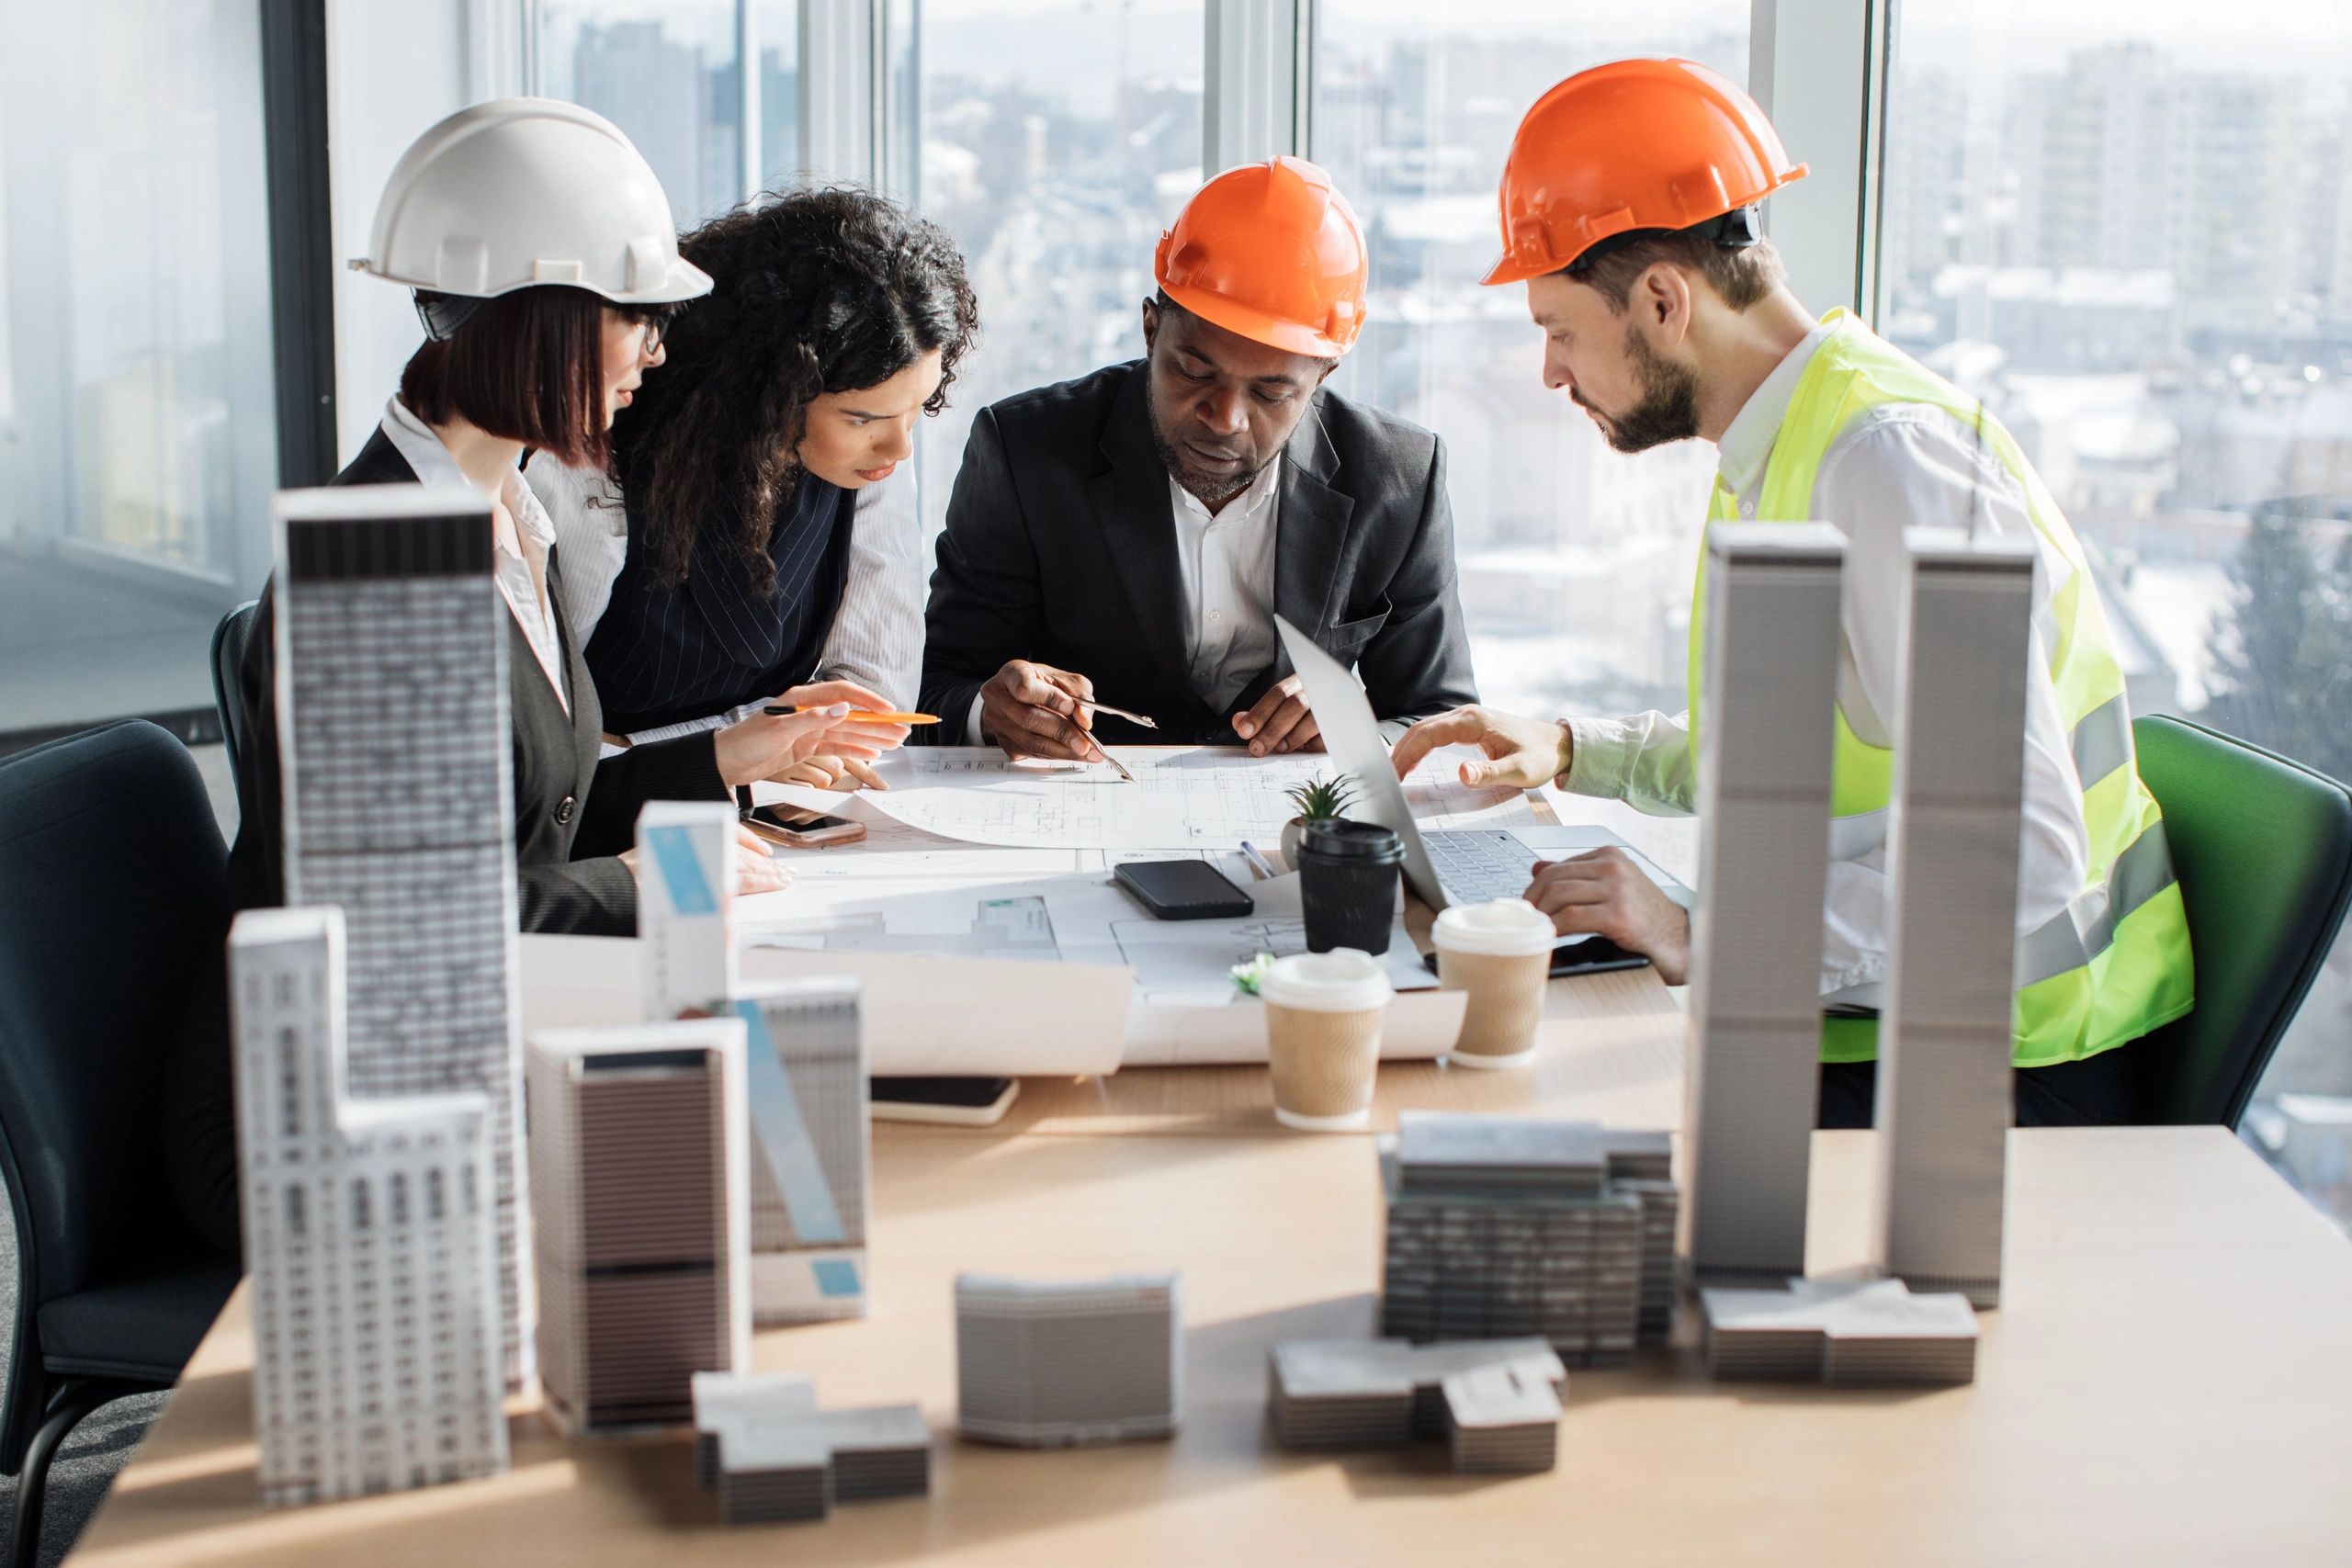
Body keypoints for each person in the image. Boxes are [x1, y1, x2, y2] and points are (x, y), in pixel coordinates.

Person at [1389, 59, 2193, 1129]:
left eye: (1559, 328)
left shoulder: (1883, 465)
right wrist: (1578, 749)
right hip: (1880, 1020)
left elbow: (2028, 851)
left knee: (1520, 1119)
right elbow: (1789, 758)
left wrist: (1699, 931)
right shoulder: (1781, 444)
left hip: (1998, 1073)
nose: (1547, 371)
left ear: (1663, 301)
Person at [225, 100, 906, 937]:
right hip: (360, 1051)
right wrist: (642, 881)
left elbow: (540, 820)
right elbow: (390, 921)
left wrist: (734, 752)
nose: (657, 353)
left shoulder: (512, 516)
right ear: (543, 317)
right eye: (639, 317)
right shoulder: (373, 565)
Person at [920, 155, 1477, 762]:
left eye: (1271, 392)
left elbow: (1442, 719)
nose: (1225, 418)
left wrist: (1353, 724)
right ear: (1150, 328)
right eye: (1193, 371)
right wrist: (989, 712)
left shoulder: (1399, 480)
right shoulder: (1025, 454)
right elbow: (932, 691)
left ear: (1324, 374)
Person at [531, 186, 978, 790]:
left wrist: (748, 750)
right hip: (606, 822)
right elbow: (546, 750)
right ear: (768, 392)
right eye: (862, 419)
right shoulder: (591, 462)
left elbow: (876, 708)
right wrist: (750, 745)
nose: (898, 449)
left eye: (915, 411)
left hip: (773, 814)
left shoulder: (873, 459)